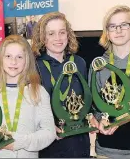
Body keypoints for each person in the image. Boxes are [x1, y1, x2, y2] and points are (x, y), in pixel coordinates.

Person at [0, 35, 56, 158]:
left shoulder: (38, 92)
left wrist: (17, 143)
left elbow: (49, 133)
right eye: (8, 56)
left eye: (19, 57)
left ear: (27, 60)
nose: (13, 62)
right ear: (1, 59)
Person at [31, 12, 98, 158]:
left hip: (79, 141)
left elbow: (86, 98)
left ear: (68, 34)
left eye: (62, 32)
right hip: (51, 144)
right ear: (43, 37)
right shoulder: (35, 66)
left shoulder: (79, 62)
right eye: (51, 33)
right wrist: (45, 127)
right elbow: (30, 108)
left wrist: (90, 115)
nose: (58, 38)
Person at [89, 5, 130, 158]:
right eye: (113, 26)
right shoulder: (98, 65)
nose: (118, 30)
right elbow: (92, 105)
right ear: (107, 32)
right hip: (106, 150)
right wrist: (96, 121)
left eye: (124, 24)